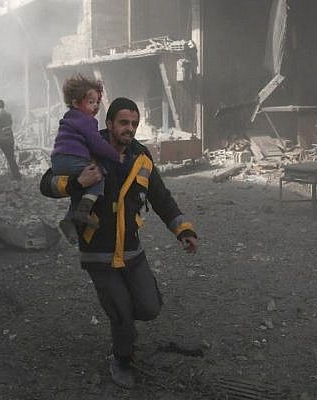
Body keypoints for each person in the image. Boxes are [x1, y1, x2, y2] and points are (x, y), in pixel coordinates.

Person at [40, 97, 199, 389]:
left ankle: (124, 318)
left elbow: (161, 197)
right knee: (121, 311)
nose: (130, 129)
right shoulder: (87, 149)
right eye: (124, 122)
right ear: (109, 123)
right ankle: (122, 358)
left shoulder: (141, 157)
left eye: (134, 124)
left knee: (149, 308)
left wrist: (183, 230)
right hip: (97, 251)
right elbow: (46, 183)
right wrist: (77, 183)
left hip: (131, 249)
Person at [51, 74, 122, 239]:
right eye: (91, 102)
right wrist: (116, 156)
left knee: (81, 191)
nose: (96, 106)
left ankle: (69, 220)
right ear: (76, 103)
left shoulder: (69, 119)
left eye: (97, 102)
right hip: (72, 158)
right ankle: (83, 213)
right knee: (97, 175)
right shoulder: (86, 121)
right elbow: (96, 144)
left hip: (58, 160)